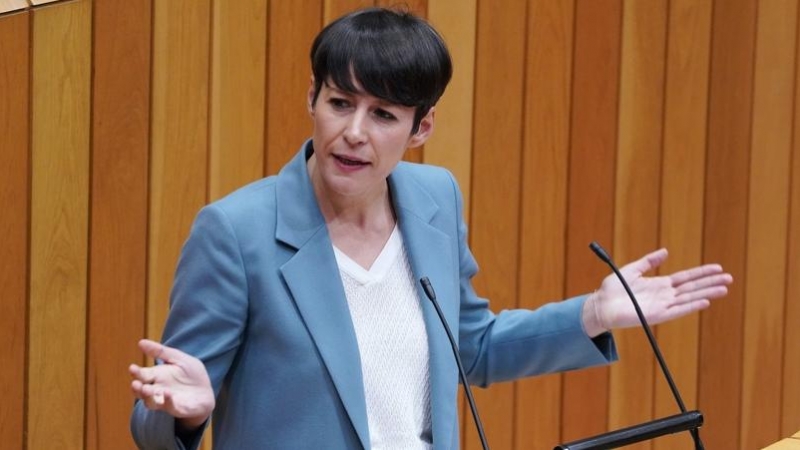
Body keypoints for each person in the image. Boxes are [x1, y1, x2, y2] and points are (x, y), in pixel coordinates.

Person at [129, 7, 732, 450]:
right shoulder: (236, 232)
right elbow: (154, 416)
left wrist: (592, 316)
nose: (355, 132)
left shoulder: (433, 198)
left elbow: (471, 349)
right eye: (340, 103)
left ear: (421, 128)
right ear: (312, 96)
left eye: (384, 114)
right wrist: (185, 417)